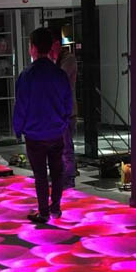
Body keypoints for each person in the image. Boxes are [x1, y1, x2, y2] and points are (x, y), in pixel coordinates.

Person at [13, 28, 73, 224]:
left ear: (33, 48)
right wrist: (63, 123)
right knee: (57, 172)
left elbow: (21, 106)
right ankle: (55, 208)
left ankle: (44, 212)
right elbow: (68, 104)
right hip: (56, 132)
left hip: (35, 134)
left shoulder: (26, 75)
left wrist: (18, 129)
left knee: (40, 175)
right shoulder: (59, 74)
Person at [49, 29, 78, 189]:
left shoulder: (68, 59)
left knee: (66, 147)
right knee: (58, 147)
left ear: (57, 44)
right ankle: (62, 176)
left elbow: (59, 79)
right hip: (57, 111)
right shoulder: (56, 61)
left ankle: (69, 179)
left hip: (66, 112)